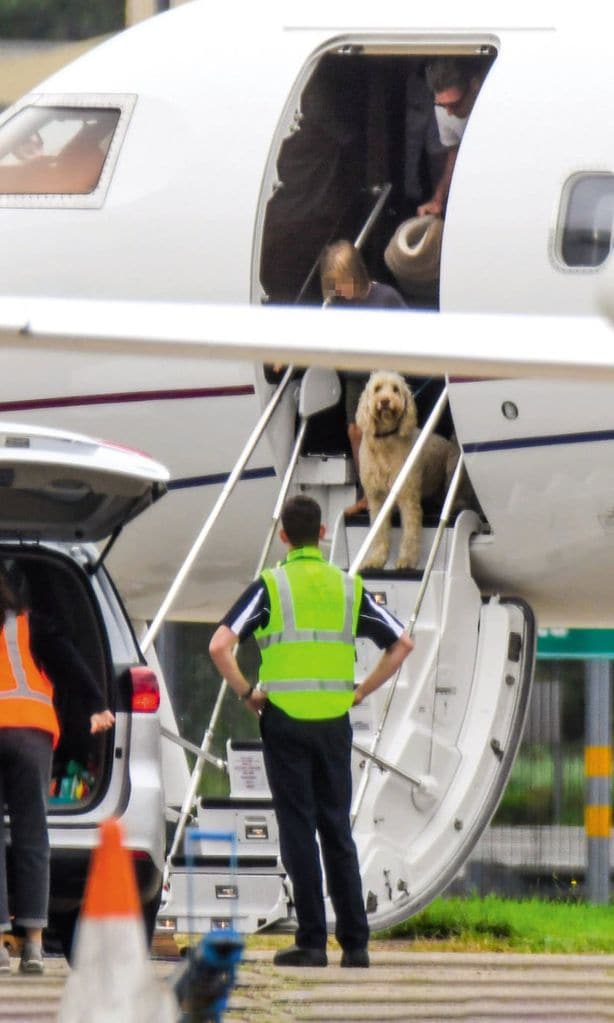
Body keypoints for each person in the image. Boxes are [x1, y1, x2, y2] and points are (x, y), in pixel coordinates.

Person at [209, 495, 413, 968]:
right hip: (333, 722)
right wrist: (360, 692)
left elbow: (221, 645)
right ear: (322, 534)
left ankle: (312, 941)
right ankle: (357, 944)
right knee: (336, 827)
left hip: (283, 720)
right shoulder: (349, 588)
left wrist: (248, 693)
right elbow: (403, 643)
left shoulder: (271, 587)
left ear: (283, 536)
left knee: (299, 829)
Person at [0, 565, 114, 974]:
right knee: (32, 833)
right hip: (32, 733)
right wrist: (98, 704)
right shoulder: (32, 625)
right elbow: (70, 661)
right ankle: (32, 945)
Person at [319, 240, 407, 510]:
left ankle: (395, 487)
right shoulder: (336, 306)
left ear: (356, 276)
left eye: (343, 283)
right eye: (334, 284)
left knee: (387, 433)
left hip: (385, 379)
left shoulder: (385, 298)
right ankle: (368, 491)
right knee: (356, 432)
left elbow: (410, 330)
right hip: (356, 378)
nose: (340, 291)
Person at [417, 59, 485, 218]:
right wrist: (438, 199)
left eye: (454, 105)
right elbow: (454, 153)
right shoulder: (443, 109)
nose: (448, 112)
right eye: (442, 105)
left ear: (475, 86)